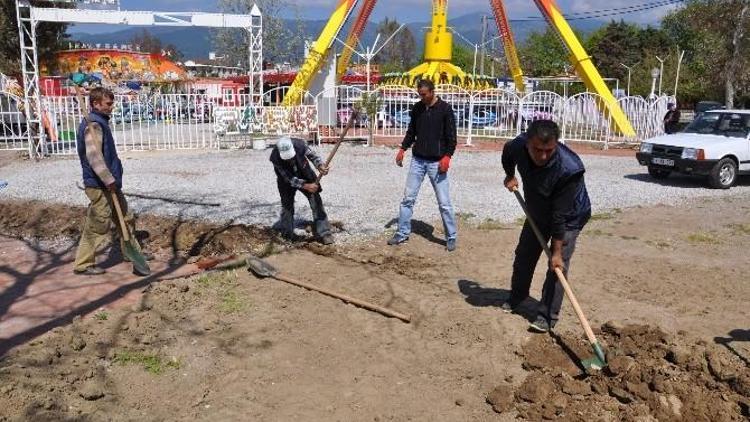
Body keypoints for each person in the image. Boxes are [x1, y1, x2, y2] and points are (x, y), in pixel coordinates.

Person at [500, 120, 591, 333]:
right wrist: (509, 175)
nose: (542, 156)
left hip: (570, 216)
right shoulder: (518, 145)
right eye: (537, 150)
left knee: (556, 266)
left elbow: (560, 216)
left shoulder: (570, 169)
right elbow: (507, 153)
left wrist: (556, 253)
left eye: (548, 151)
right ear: (528, 143)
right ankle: (517, 297)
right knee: (524, 254)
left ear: (556, 145)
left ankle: (547, 316)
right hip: (538, 209)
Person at [74, 87, 150, 276]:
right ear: (95, 104)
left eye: (111, 103)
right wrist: (108, 179)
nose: (111, 107)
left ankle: (131, 253)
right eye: (108, 104)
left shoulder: (99, 122)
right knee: (97, 225)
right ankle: (83, 264)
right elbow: (94, 157)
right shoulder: (94, 125)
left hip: (110, 183)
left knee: (126, 217)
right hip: (100, 185)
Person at [388, 79, 458, 251]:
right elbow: (411, 131)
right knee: (408, 199)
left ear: (432, 92)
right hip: (418, 161)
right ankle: (402, 233)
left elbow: (452, 137)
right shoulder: (418, 108)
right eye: (420, 94)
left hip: (437, 162)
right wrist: (402, 149)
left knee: (444, 202)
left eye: (424, 94)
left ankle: (451, 236)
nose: (422, 97)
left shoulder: (445, 110)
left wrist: (447, 157)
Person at [270, 137, 333, 245]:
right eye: (286, 158)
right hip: (286, 182)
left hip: (304, 173)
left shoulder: (300, 145)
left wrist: (320, 165)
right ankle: (287, 234)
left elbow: (312, 156)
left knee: (316, 201)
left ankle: (324, 232)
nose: (289, 160)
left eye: (290, 156)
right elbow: (289, 179)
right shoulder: (275, 158)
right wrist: (306, 186)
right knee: (287, 206)